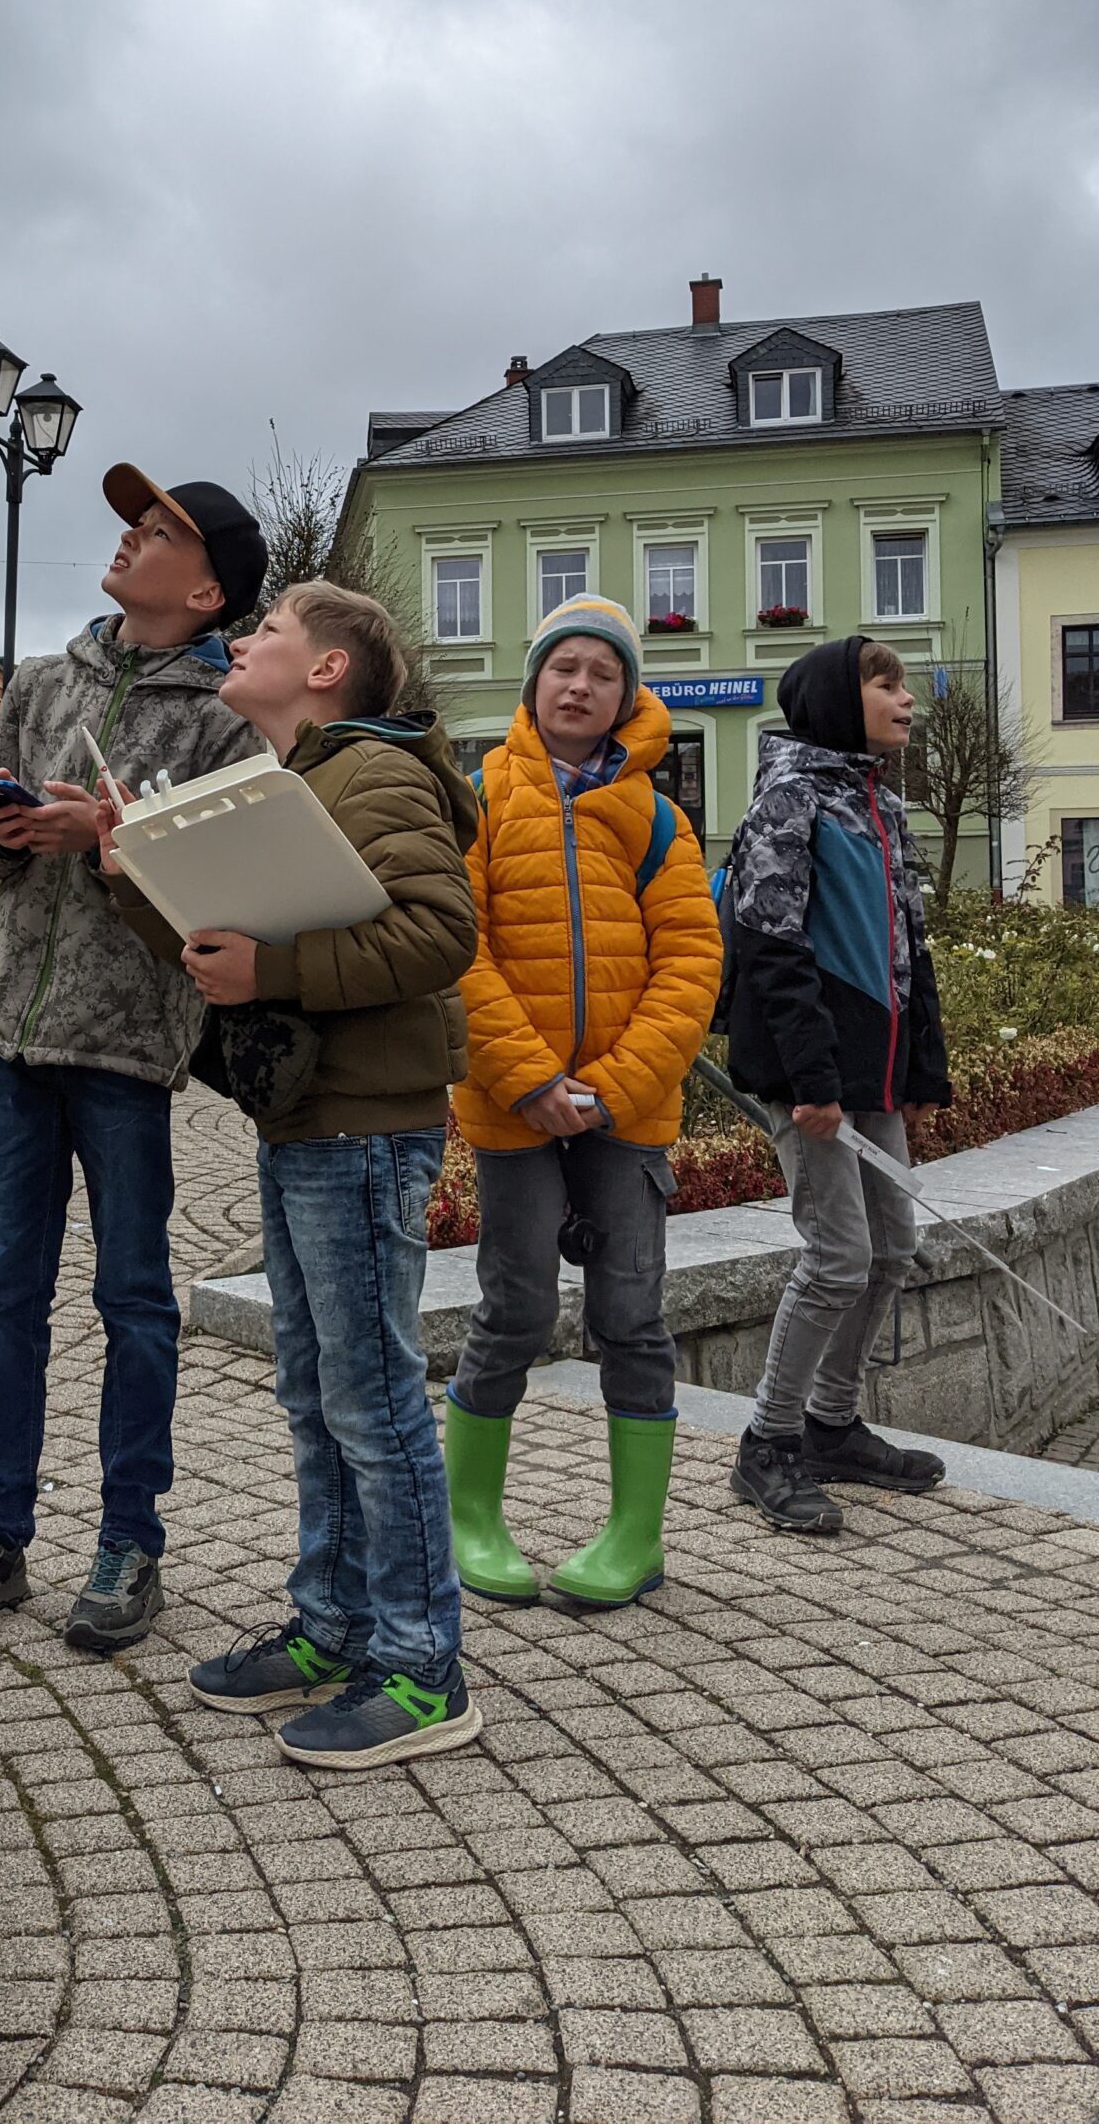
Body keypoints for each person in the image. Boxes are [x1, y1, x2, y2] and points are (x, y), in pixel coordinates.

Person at [99, 581, 484, 1770]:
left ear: (328, 668)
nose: (241, 640)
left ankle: (423, 1671)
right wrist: (140, 880)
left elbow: (437, 933)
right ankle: (333, 1630)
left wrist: (273, 964)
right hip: (307, 1119)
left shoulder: (377, 776)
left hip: (362, 1124)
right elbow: (234, 956)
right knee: (319, 1396)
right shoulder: (296, 783)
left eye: (264, 629)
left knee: (373, 1402)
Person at [0, 467, 267, 1650]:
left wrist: (104, 837)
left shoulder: (223, 721)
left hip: (124, 1044)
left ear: (207, 591)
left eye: (157, 531)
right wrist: (5, 833)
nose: (128, 537)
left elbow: (217, 888)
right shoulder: (46, 678)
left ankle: (129, 1541)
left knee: (134, 1299)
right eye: (131, 520)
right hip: (7, 1024)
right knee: (7, 1294)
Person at [443, 595, 723, 1610]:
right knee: (511, 1307)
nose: (580, 686)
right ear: (533, 683)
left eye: (603, 673)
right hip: (512, 1107)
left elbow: (692, 963)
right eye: (563, 666)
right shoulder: (475, 799)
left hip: (624, 1115)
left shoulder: (656, 816)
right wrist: (527, 1078)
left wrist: (606, 1091)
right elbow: (456, 951)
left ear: (626, 694)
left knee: (631, 1317)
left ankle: (634, 1536)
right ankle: (470, 1516)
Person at [725, 637, 952, 1533]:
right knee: (837, 1258)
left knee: (892, 1250)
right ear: (833, 698)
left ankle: (831, 1424)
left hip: (873, 1079)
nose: (905, 699)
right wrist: (812, 1082)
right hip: (810, 1078)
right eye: (885, 682)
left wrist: (921, 1075)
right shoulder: (789, 800)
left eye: (903, 684)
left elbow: (911, 952)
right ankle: (768, 1443)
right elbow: (772, 950)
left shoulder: (881, 806)